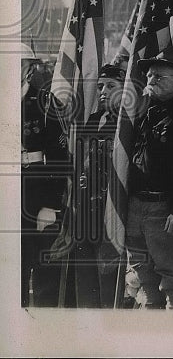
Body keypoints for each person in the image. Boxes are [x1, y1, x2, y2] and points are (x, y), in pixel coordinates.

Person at [127, 45, 173, 308]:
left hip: (167, 210)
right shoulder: (140, 112)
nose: (151, 80)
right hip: (135, 208)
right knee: (144, 283)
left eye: (160, 76)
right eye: (149, 76)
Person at [67, 62, 127, 308]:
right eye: (100, 86)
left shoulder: (127, 125)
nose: (103, 91)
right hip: (85, 211)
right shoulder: (93, 120)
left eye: (111, 86)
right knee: (85, 281)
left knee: (108, 281)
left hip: (110, 211)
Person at [21, 45, 68, 307]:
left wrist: (51, 204)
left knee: (41, 268)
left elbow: (61, 156)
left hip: (35, 192)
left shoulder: (45, 103)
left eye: (18, 65)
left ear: (30, 70)